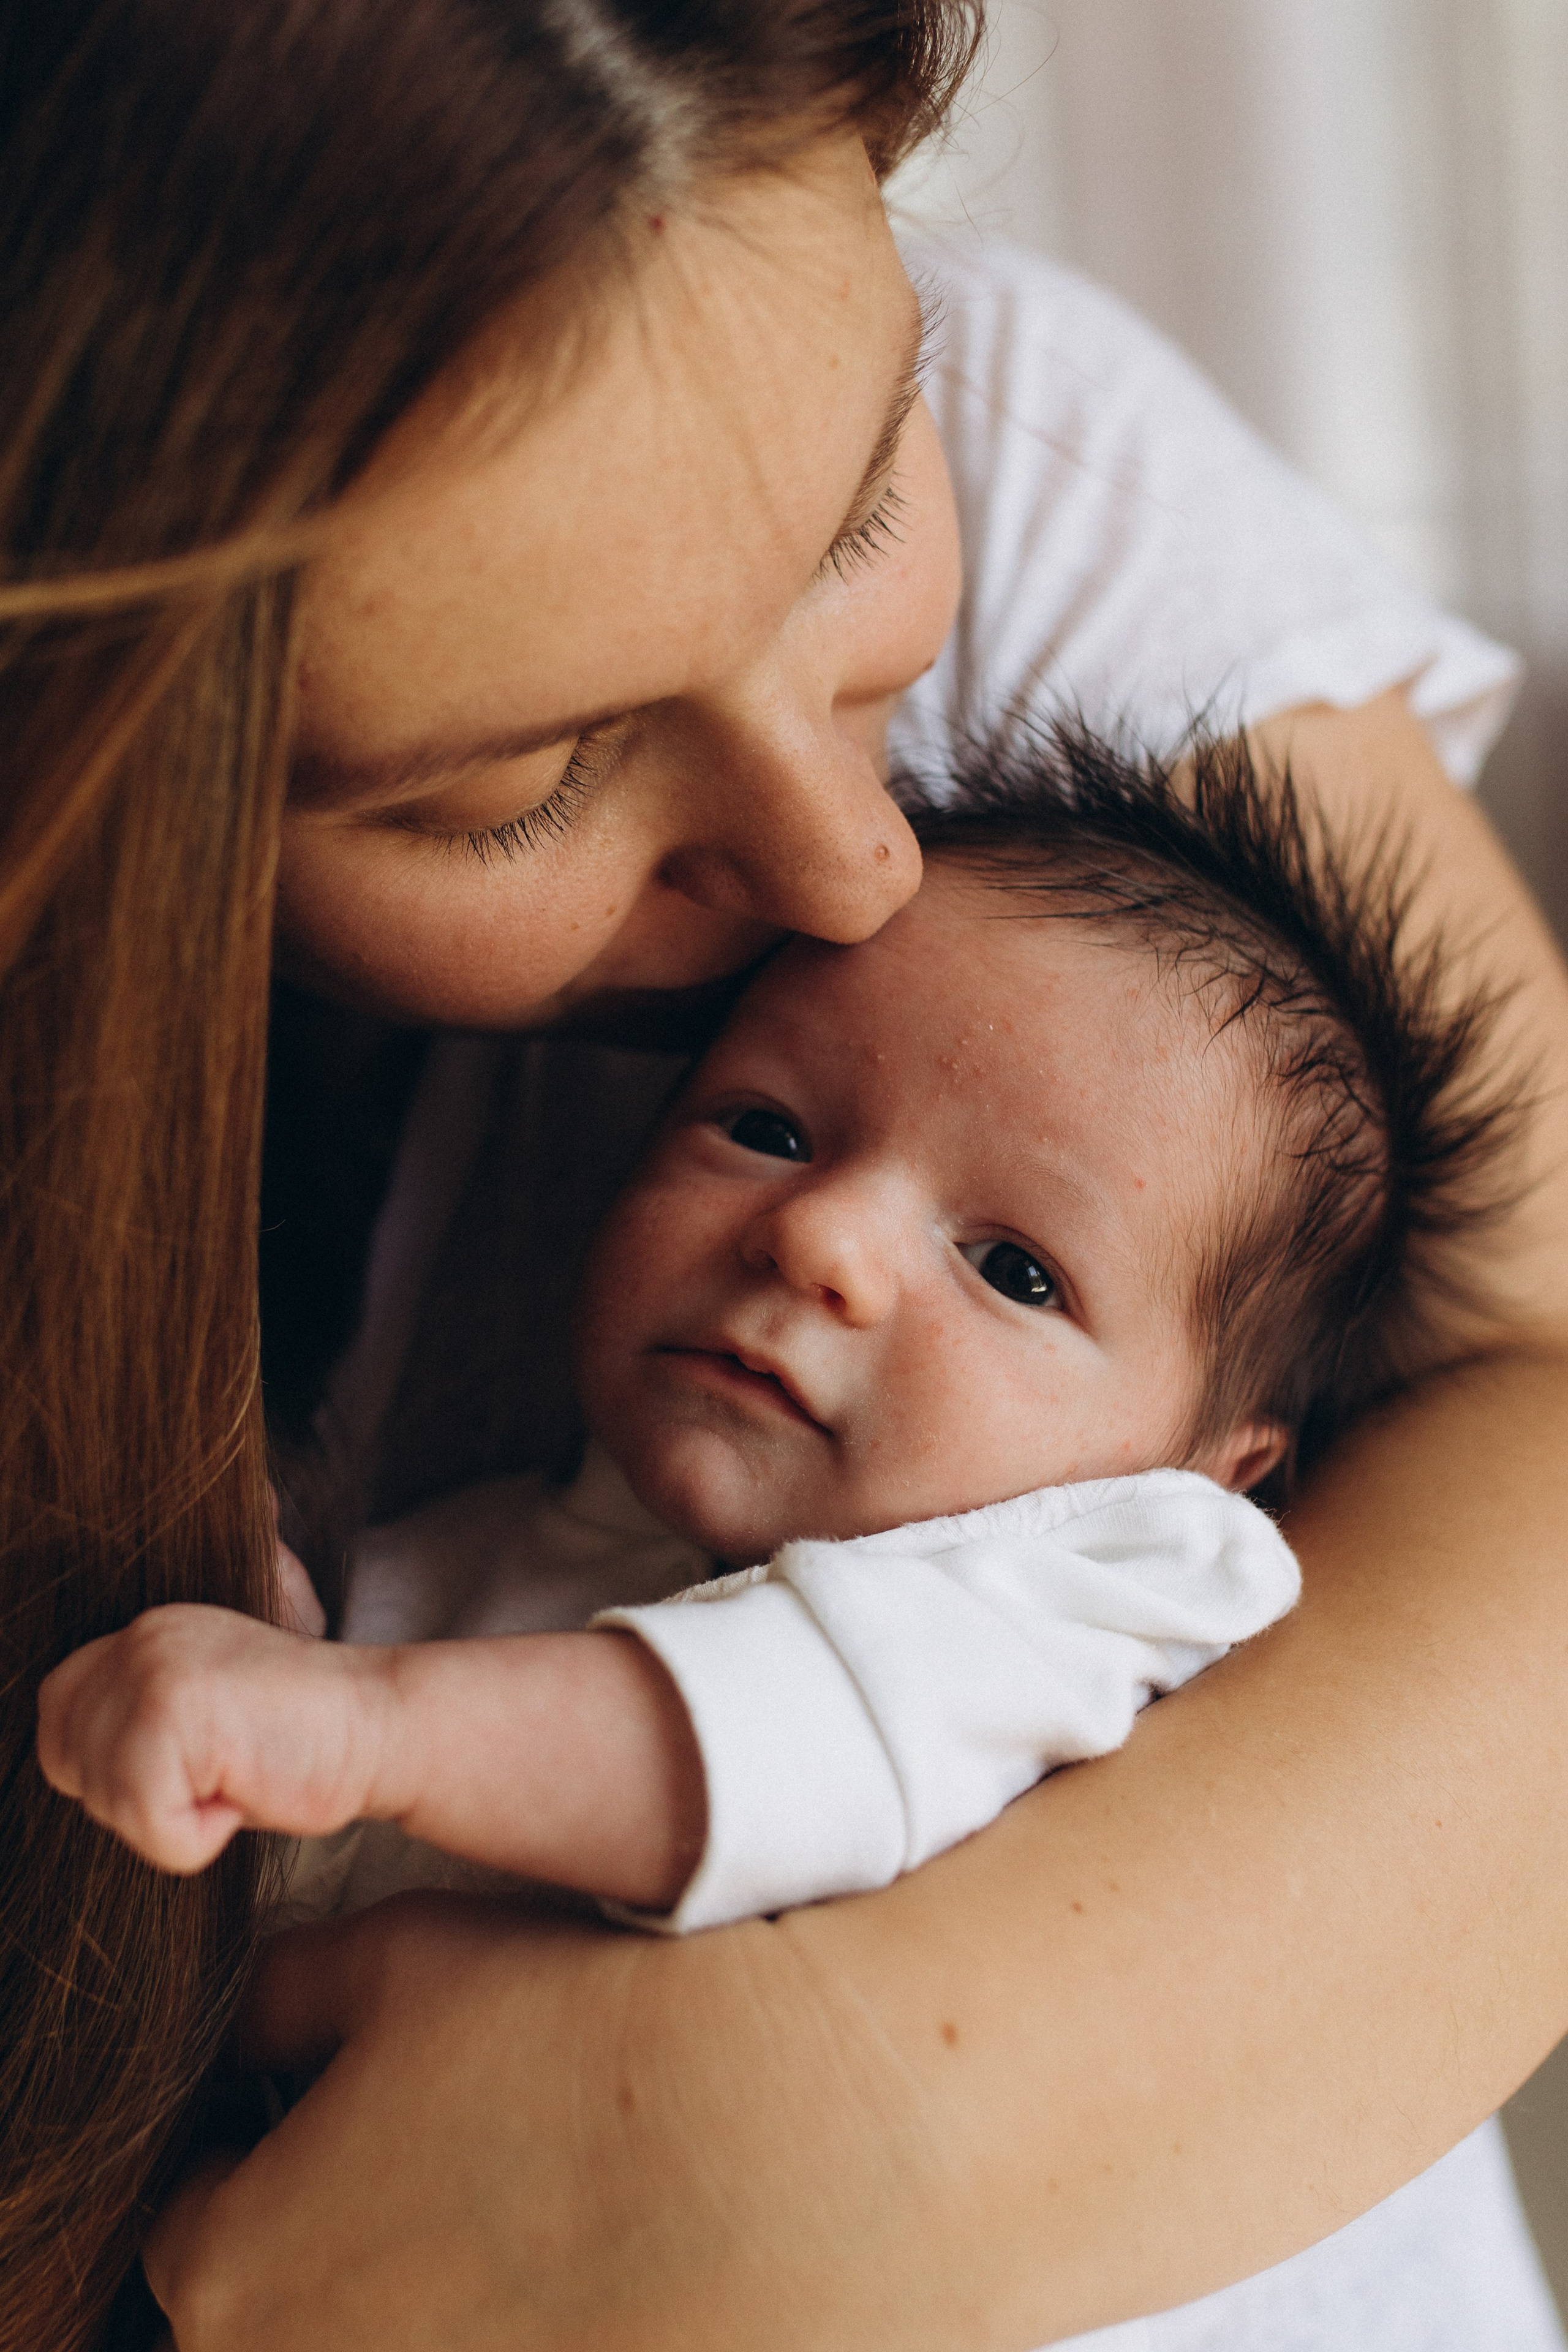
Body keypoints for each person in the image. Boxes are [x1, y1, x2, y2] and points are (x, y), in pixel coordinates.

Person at [6, 7, 1568, 2351]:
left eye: (857, 513)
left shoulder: (1105, 1572)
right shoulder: (565, 1520)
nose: (855, 866)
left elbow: (1528, 1366)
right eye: (522, 782)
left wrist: (803, 2131)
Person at [38, 729, 1514, 1950]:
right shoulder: (519, 1536)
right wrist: (280, 1647)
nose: (822, 1240)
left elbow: (800, 1741)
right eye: (767, 1128)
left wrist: (360, 1730)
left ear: (1211, 1466)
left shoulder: (1111, 1591)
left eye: (1011, 1269)